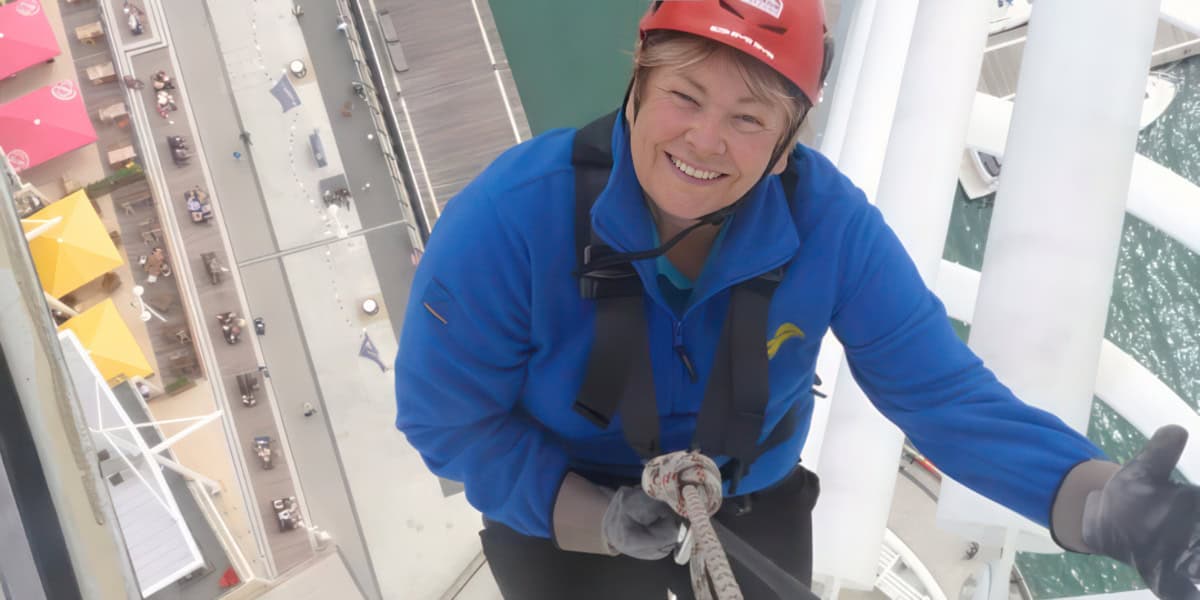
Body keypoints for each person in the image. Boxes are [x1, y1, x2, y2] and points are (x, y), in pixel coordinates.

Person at [394, 2, 1200, 599]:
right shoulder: (508, 224)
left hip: (747, 494)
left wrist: (1098, 504)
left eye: (750, 118)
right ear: (636, 85)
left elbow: (943, 395)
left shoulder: (830, 229)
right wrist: (586, 516)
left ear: (787, 148)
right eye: (685, 96)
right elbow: (449, 418)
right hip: (563, 498)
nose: (706, 140)